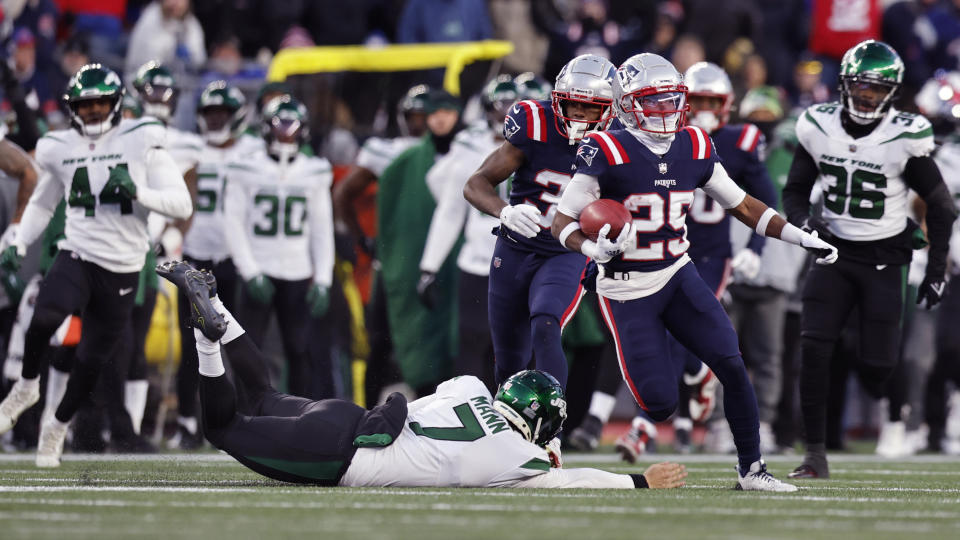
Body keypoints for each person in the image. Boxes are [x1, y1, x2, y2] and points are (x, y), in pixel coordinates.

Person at [552, 52, 840, 491]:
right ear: (628, 104)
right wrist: (593, 246)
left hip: (678, 273)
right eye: (656, 102)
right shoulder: (606, 146)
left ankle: (752, 469)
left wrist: (799, 236)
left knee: (732, 363)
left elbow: (742, 204)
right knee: (660, 401)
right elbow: (561, 220)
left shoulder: (695, 143)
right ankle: (668, 411)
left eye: (672, 100)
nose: (668, 111)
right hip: (627, 289)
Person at [155, 259, 688, 489]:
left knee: (265, 392)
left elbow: (426, 410)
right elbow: (572, 480)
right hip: (343, 456)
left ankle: (218, 306)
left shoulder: (471, 387)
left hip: (351, 418)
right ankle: (206, 337)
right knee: (220, 427)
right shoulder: (517, 458)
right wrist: (637, 480)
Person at [0, 64, 193, 467]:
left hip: (123, 266)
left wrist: (139, 192)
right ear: (73, 108)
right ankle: (26, 386)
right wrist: (20, 239)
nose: (92, 112)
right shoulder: (60, 146)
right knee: (44, 316)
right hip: (78, 251)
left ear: (116, 103)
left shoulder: (141, 139)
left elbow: (181, 203)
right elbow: (43, 201)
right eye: (85, 105)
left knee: (91, 362)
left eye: (100, 103)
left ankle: (55, 427)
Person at [781, 40, 957, 479]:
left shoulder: (904, 134)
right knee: (814, 348)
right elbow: (795, 191)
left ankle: (896, 415)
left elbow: (941, 205)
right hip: (835, 251)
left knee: (877, 364)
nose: (866, 97)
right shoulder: (817, 126)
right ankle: (814, 455)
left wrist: (936, 271)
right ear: (844, 84)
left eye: (876, 91)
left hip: (884, 255)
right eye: (860, 87)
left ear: (892, 93)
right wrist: (805, 224)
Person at [603, 61, 780, 461]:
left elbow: (759, 200)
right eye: (695, 99)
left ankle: (660, 415)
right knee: (662, 341)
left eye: (709, 101)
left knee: (694, 341)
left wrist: (756, 249)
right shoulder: (640, 140)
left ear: (727, 105)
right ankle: (667, 409)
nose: (700, 108)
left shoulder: (730, 141)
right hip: (660, 253)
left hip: (710, 254)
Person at [463, 54, 617, 389]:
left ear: (610, 109)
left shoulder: (620, 142)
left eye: (589, 107)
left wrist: (616, 237)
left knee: (546, 322)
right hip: (515, 247)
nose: (577, 113)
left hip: (567, 250)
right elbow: (475, 184)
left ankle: (551, 435)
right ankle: (512, 431)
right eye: (572, 103)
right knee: (508, 359)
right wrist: (506, 211)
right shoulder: (535, 122)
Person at [222, 95, 334, 398]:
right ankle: (247, 420)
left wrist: (323, 279)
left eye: (292, 125)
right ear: (266, 128)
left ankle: (300, 421)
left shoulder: (315, 170)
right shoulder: (245, 168)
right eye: (280, 125)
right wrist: (250, 271)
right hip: (258, 268)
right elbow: (232, 223)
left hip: (297, 271)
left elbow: (322, 229)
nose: (287, 132)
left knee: (300, 351)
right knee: (248, 348)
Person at [417, 76, 519, 392]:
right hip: (479, 258)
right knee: (473, 341)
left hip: (522, 257)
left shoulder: (540, 142)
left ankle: (514, 423)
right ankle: (471, 417)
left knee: (516, 346)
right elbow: (448, 203)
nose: (505, 113)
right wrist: (429, 265)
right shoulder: (470, 144)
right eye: (500, 107)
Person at [172, 80, 260, 448]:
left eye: (222, 113)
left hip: (236, 259)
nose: (216, 120)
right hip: (192, 257)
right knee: (191, 343)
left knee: (237, 342)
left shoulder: (255, 151)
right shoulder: (185, 147)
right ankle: (187, 422)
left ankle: (243, 419)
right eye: (210, 113)